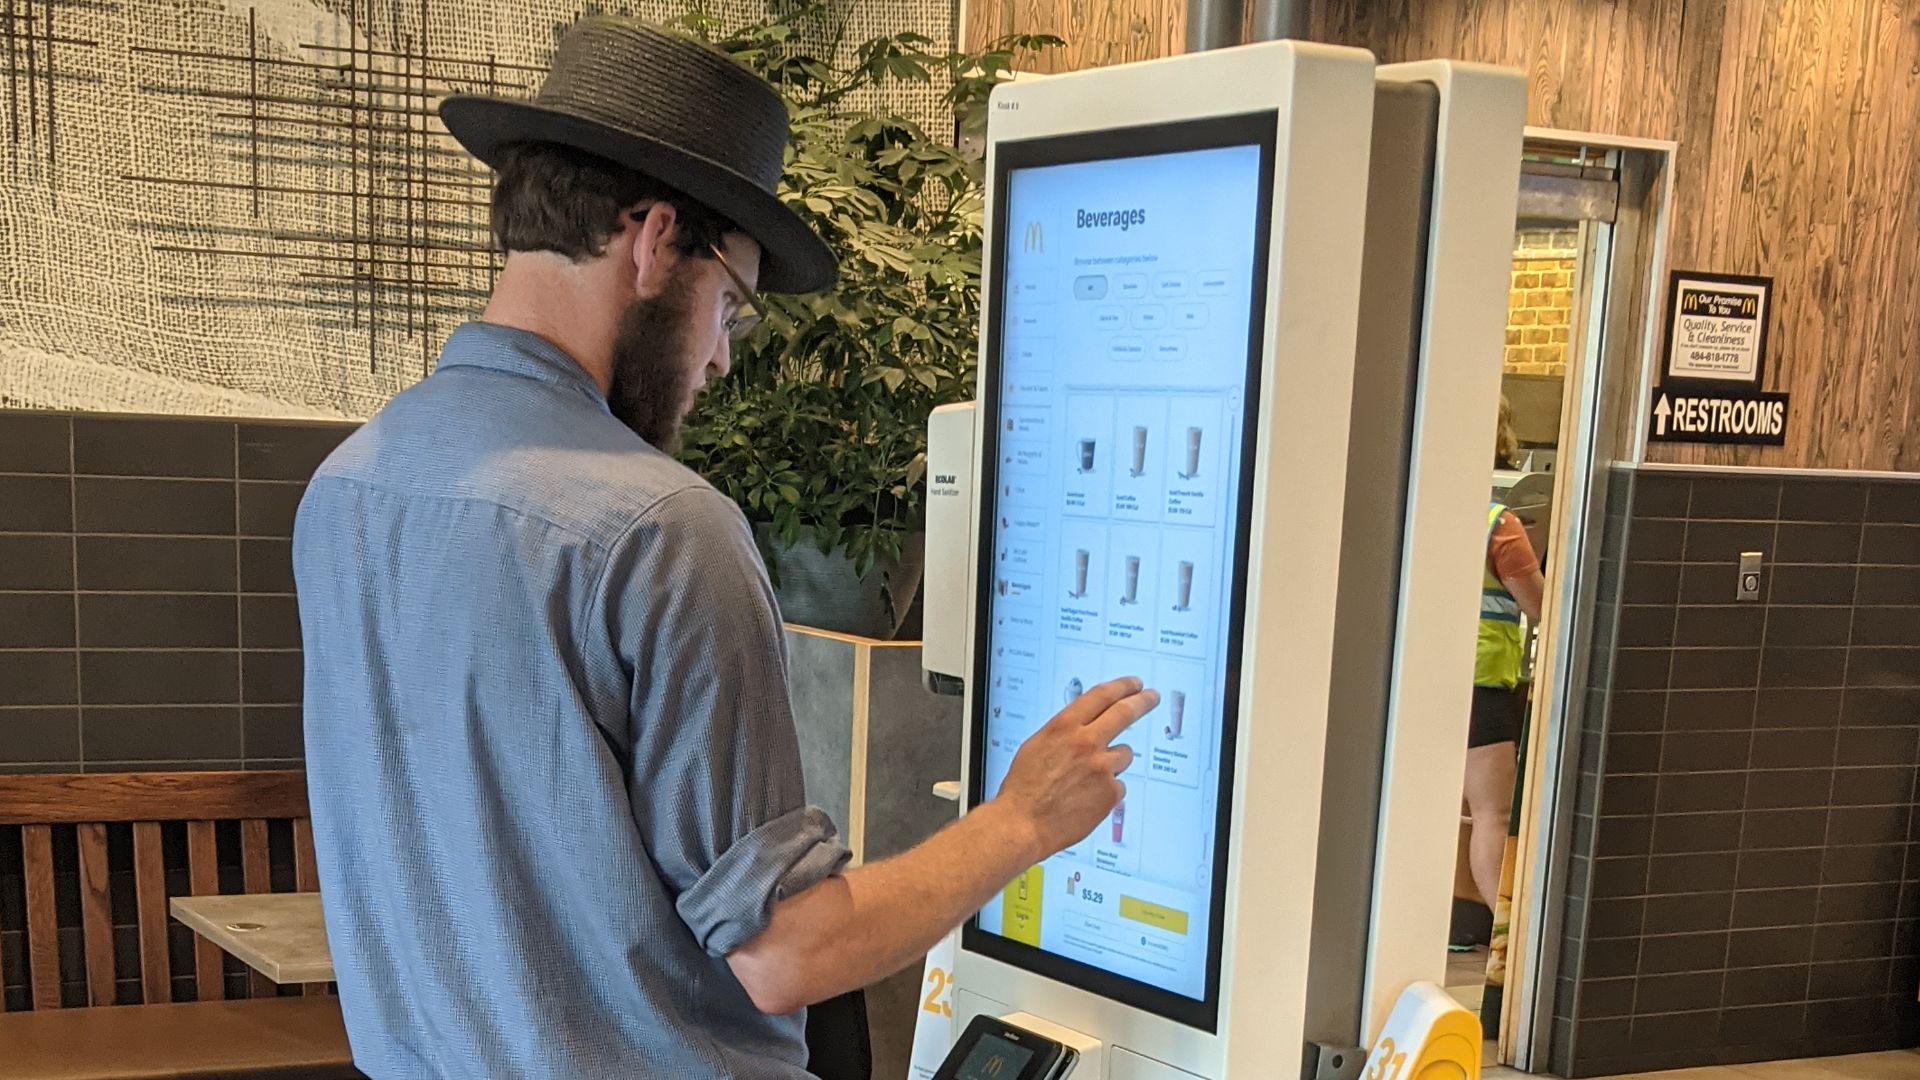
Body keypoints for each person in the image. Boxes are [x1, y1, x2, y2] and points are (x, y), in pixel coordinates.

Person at [292, 18, 1157, 1079]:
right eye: (733, 311)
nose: (717, 361)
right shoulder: (660, 528)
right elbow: (786, 951)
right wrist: (1023, 819)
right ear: (655, 240)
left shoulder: (351, 486)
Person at [1465, 397, 1545, 912]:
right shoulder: (1499, 520)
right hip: (1481, 684)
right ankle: (1502, 935)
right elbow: (1540, 604)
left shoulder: (1415, 499)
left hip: (1409, 679)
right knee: (1492, 814)